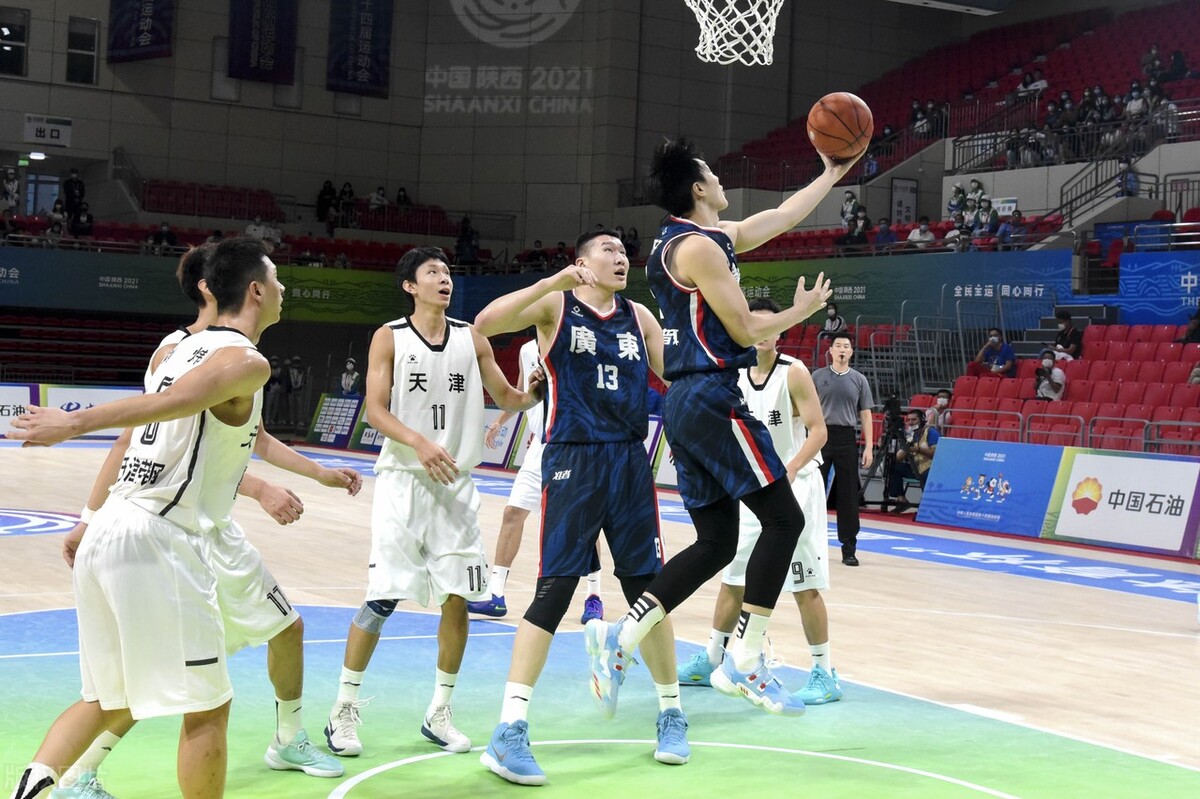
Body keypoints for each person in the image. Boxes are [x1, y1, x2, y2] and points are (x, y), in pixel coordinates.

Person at [47, 243, 362, 797]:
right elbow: (161, 448)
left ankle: (288, 736)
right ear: (219, 288)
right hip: (172, 530)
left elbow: (248, 439)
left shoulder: (234, 356)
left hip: (207, 526)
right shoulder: (182, 353)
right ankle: (80, 771)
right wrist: (88, 509)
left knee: (283, 630)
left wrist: (320, 473)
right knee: (163, 681)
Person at [7, 237, 290, 799]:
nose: (283, 288)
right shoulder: (244, 359)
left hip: (114, 527)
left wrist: (89, 515)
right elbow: (168, 408)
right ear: (256, 290)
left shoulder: (173, 350)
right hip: (160, 538)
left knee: (106, 700)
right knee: (208, 706)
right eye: (277, 278)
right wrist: (74, 422)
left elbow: (146, 432)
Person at [581, 136, 842, 722]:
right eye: (712, 175)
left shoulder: (693, 240)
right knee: (784, 517)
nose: (722, 181)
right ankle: (744, 658)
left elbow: (777, 218)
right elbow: (748, 329)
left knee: (719, 543)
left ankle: (619, 642)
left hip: (685, 402)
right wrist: (801, 313)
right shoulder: (698, 248)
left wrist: (831, 174)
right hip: (711, 395)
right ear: (698, 188)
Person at [473, 230, 684, 785]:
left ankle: (670, 712)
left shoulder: (639, 316)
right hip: (571, 458)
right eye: (608, 250)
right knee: (555, 588)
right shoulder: (556, 303)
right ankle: (509, 729)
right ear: (582, 261)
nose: (620, 257)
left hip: (630, 462)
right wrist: (555, 280)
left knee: (649, 589)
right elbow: (487, 323)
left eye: (624, 252)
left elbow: (679, 372)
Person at [324, 247, 542, 761]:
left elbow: (506, 398)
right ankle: (343, 709)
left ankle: (439, 711)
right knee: (382, 597)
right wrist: (419, 444)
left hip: (456, 487)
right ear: (410, 286)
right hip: (404, 481)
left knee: (458, 600)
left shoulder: (474, 337)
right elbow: (375, 411)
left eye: (448, 272)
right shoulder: (390, 337)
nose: (444, 280)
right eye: (432, 274)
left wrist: (530, 394)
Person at [677, 297, 840, 705]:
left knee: (805, 585)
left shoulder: (794, 373)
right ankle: (714, 656)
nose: (763, 333)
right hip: (754, 488)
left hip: (797, 485)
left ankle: (824, 671)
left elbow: (819, 431)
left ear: (779, 333)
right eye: (755, 325)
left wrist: (789, 467)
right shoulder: (730, 375)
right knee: (733, 576)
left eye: (770, 327)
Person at [468, 337, 607, 622]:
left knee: (584, 524)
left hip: (573, 445)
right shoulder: (527, 350)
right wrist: (499, 422)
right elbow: (520, 393)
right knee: (512, 513)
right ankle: (495, 595)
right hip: (538, 448)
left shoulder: (575, 341)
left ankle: (594, 597)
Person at [812, 332, 874, 567]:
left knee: (848, 494)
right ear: (830, 351)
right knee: (813, 491)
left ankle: (849, 548)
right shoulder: (817, 377)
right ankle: (810, 545)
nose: (841, 349)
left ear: (851, 352)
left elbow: (866, 415)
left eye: (846, 346)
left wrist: (868, 446)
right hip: (820, 436)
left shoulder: (859, 380)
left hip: (847, 437)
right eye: (837, 345)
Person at [886, 408, 938, 514]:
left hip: (931, 468)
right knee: (893, 466)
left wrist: (918, 450)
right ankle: (901, 501)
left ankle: (927, 507)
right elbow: (898, 457)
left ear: (922, 420)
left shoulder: (931, 432)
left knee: (926, 474)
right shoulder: (911, 436)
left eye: (914, 420)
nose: (910, 422)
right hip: (916, 468)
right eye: (908, 420)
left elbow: (935, 454)